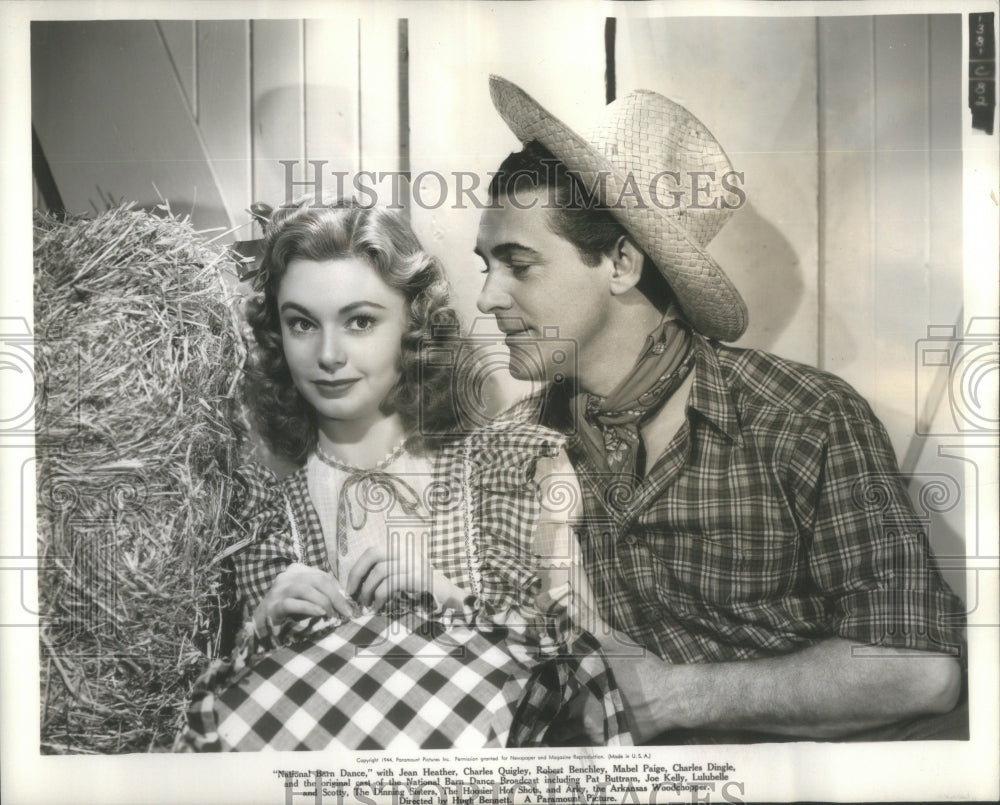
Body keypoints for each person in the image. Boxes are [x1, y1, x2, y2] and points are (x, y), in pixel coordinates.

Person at [474, 75, 967, 744]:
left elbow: (919, 669)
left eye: (517, 264)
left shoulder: (808, 418)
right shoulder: (509, 448)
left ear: (620, 262)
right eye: (485, 265)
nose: (485, 298)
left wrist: (681, 695)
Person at [177, 198, 629, 751]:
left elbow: (596, 687)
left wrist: (453, 602)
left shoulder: (512, 470)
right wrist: (257, 638)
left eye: (360, 321)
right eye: (301, 324)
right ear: (277, 335)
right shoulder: (257, 521)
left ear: (415, 326)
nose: (328, 354)